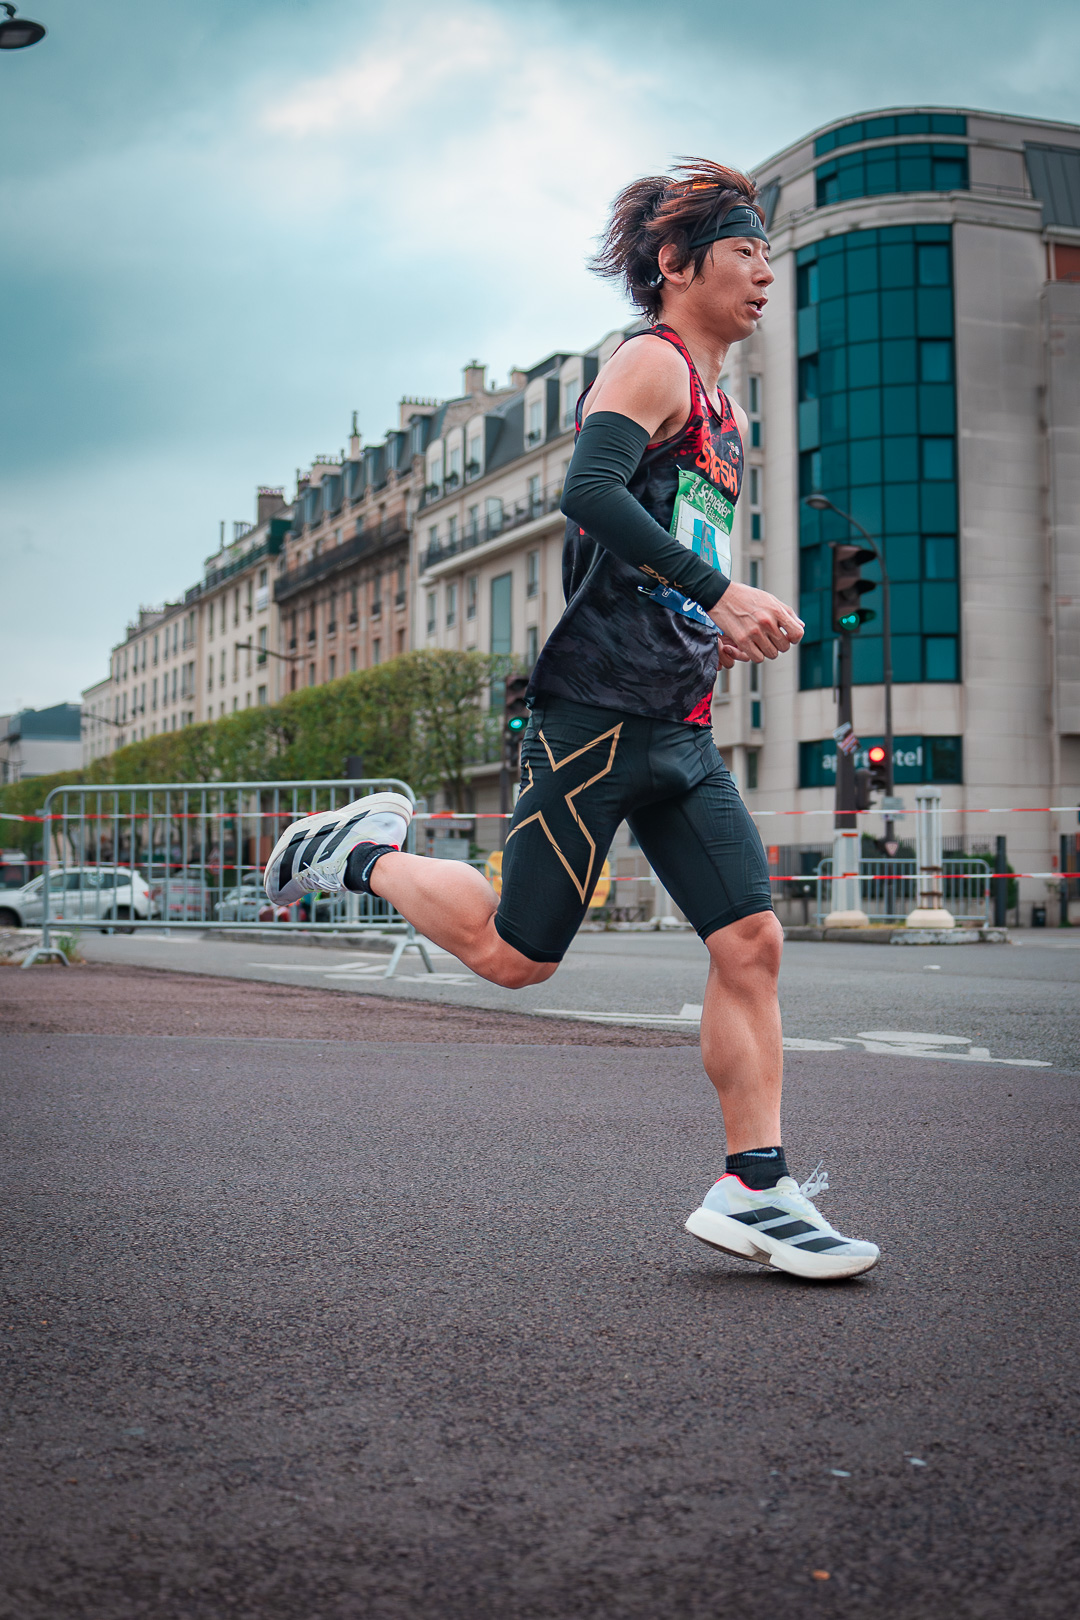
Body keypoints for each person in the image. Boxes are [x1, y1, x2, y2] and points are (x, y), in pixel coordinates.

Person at [264, 159, 878, 1282]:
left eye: (769, 256)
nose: (764, 274)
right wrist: (719, 594)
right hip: (592, 716)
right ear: (677, 264)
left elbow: (660, 541)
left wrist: (719, 621)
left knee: (751, 941)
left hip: (680, 725)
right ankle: (362, 855)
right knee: (516, 957)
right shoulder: (650, 362)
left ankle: (756, 1185)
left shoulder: (730, 413)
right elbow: (586, 493)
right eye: (745, 253)